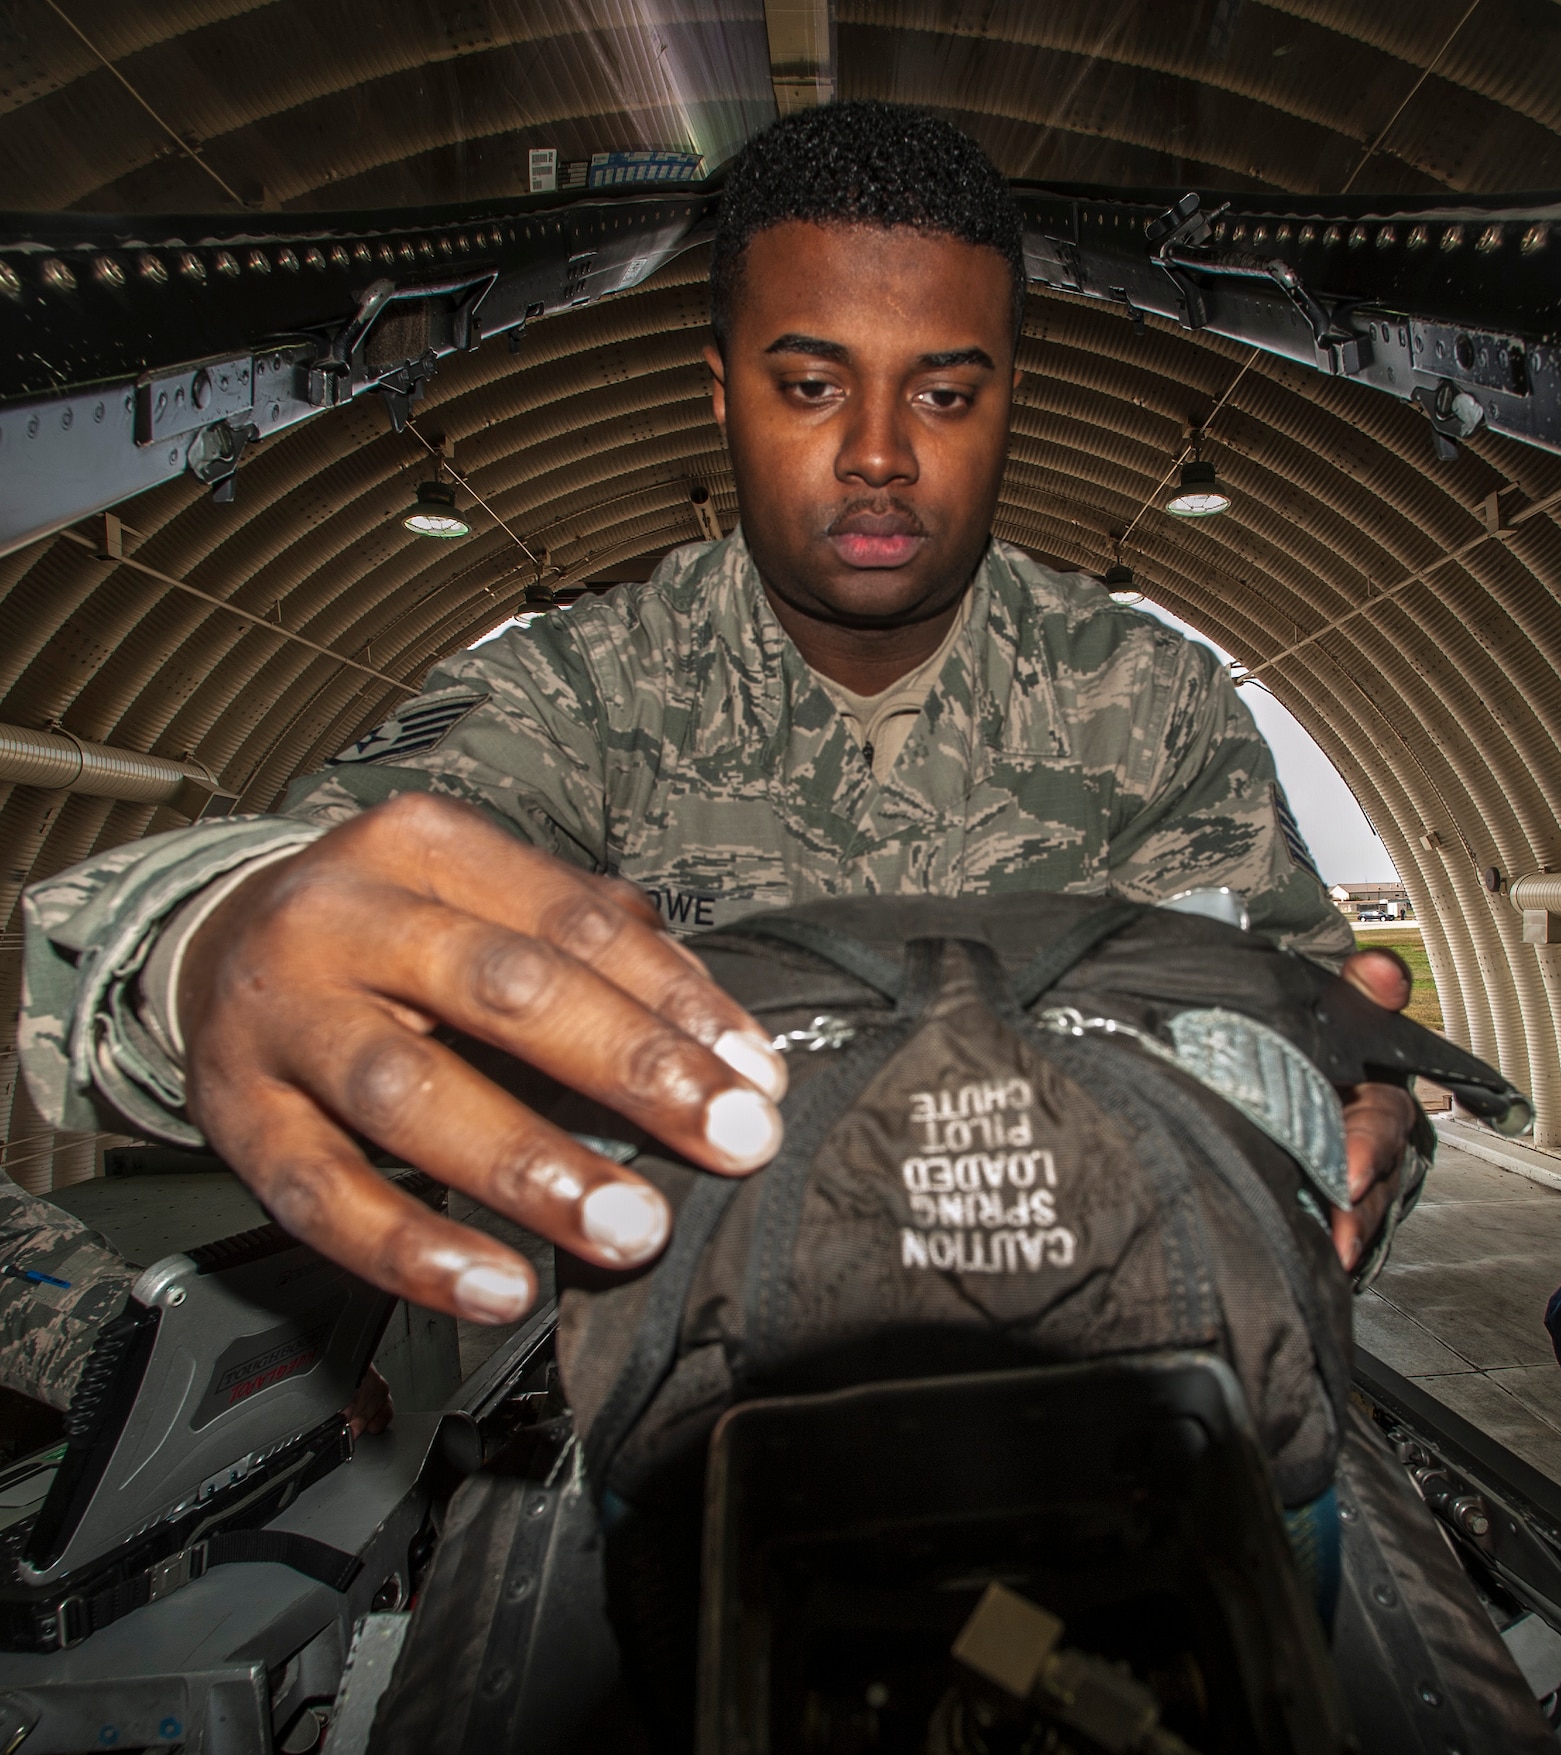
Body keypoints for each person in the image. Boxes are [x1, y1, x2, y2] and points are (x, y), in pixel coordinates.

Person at [19, 102, 1415, 1332]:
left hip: (1094, 1391)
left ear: (1007, 408)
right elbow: (321, 885)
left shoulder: (1150, 703)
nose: (876, 452)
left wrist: (1360, 1119)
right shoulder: (582, 694)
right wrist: (206, 941)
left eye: (942, 392)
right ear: (722, 394)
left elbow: (1297, 1030)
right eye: (810, 386)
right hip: (670, 1422)